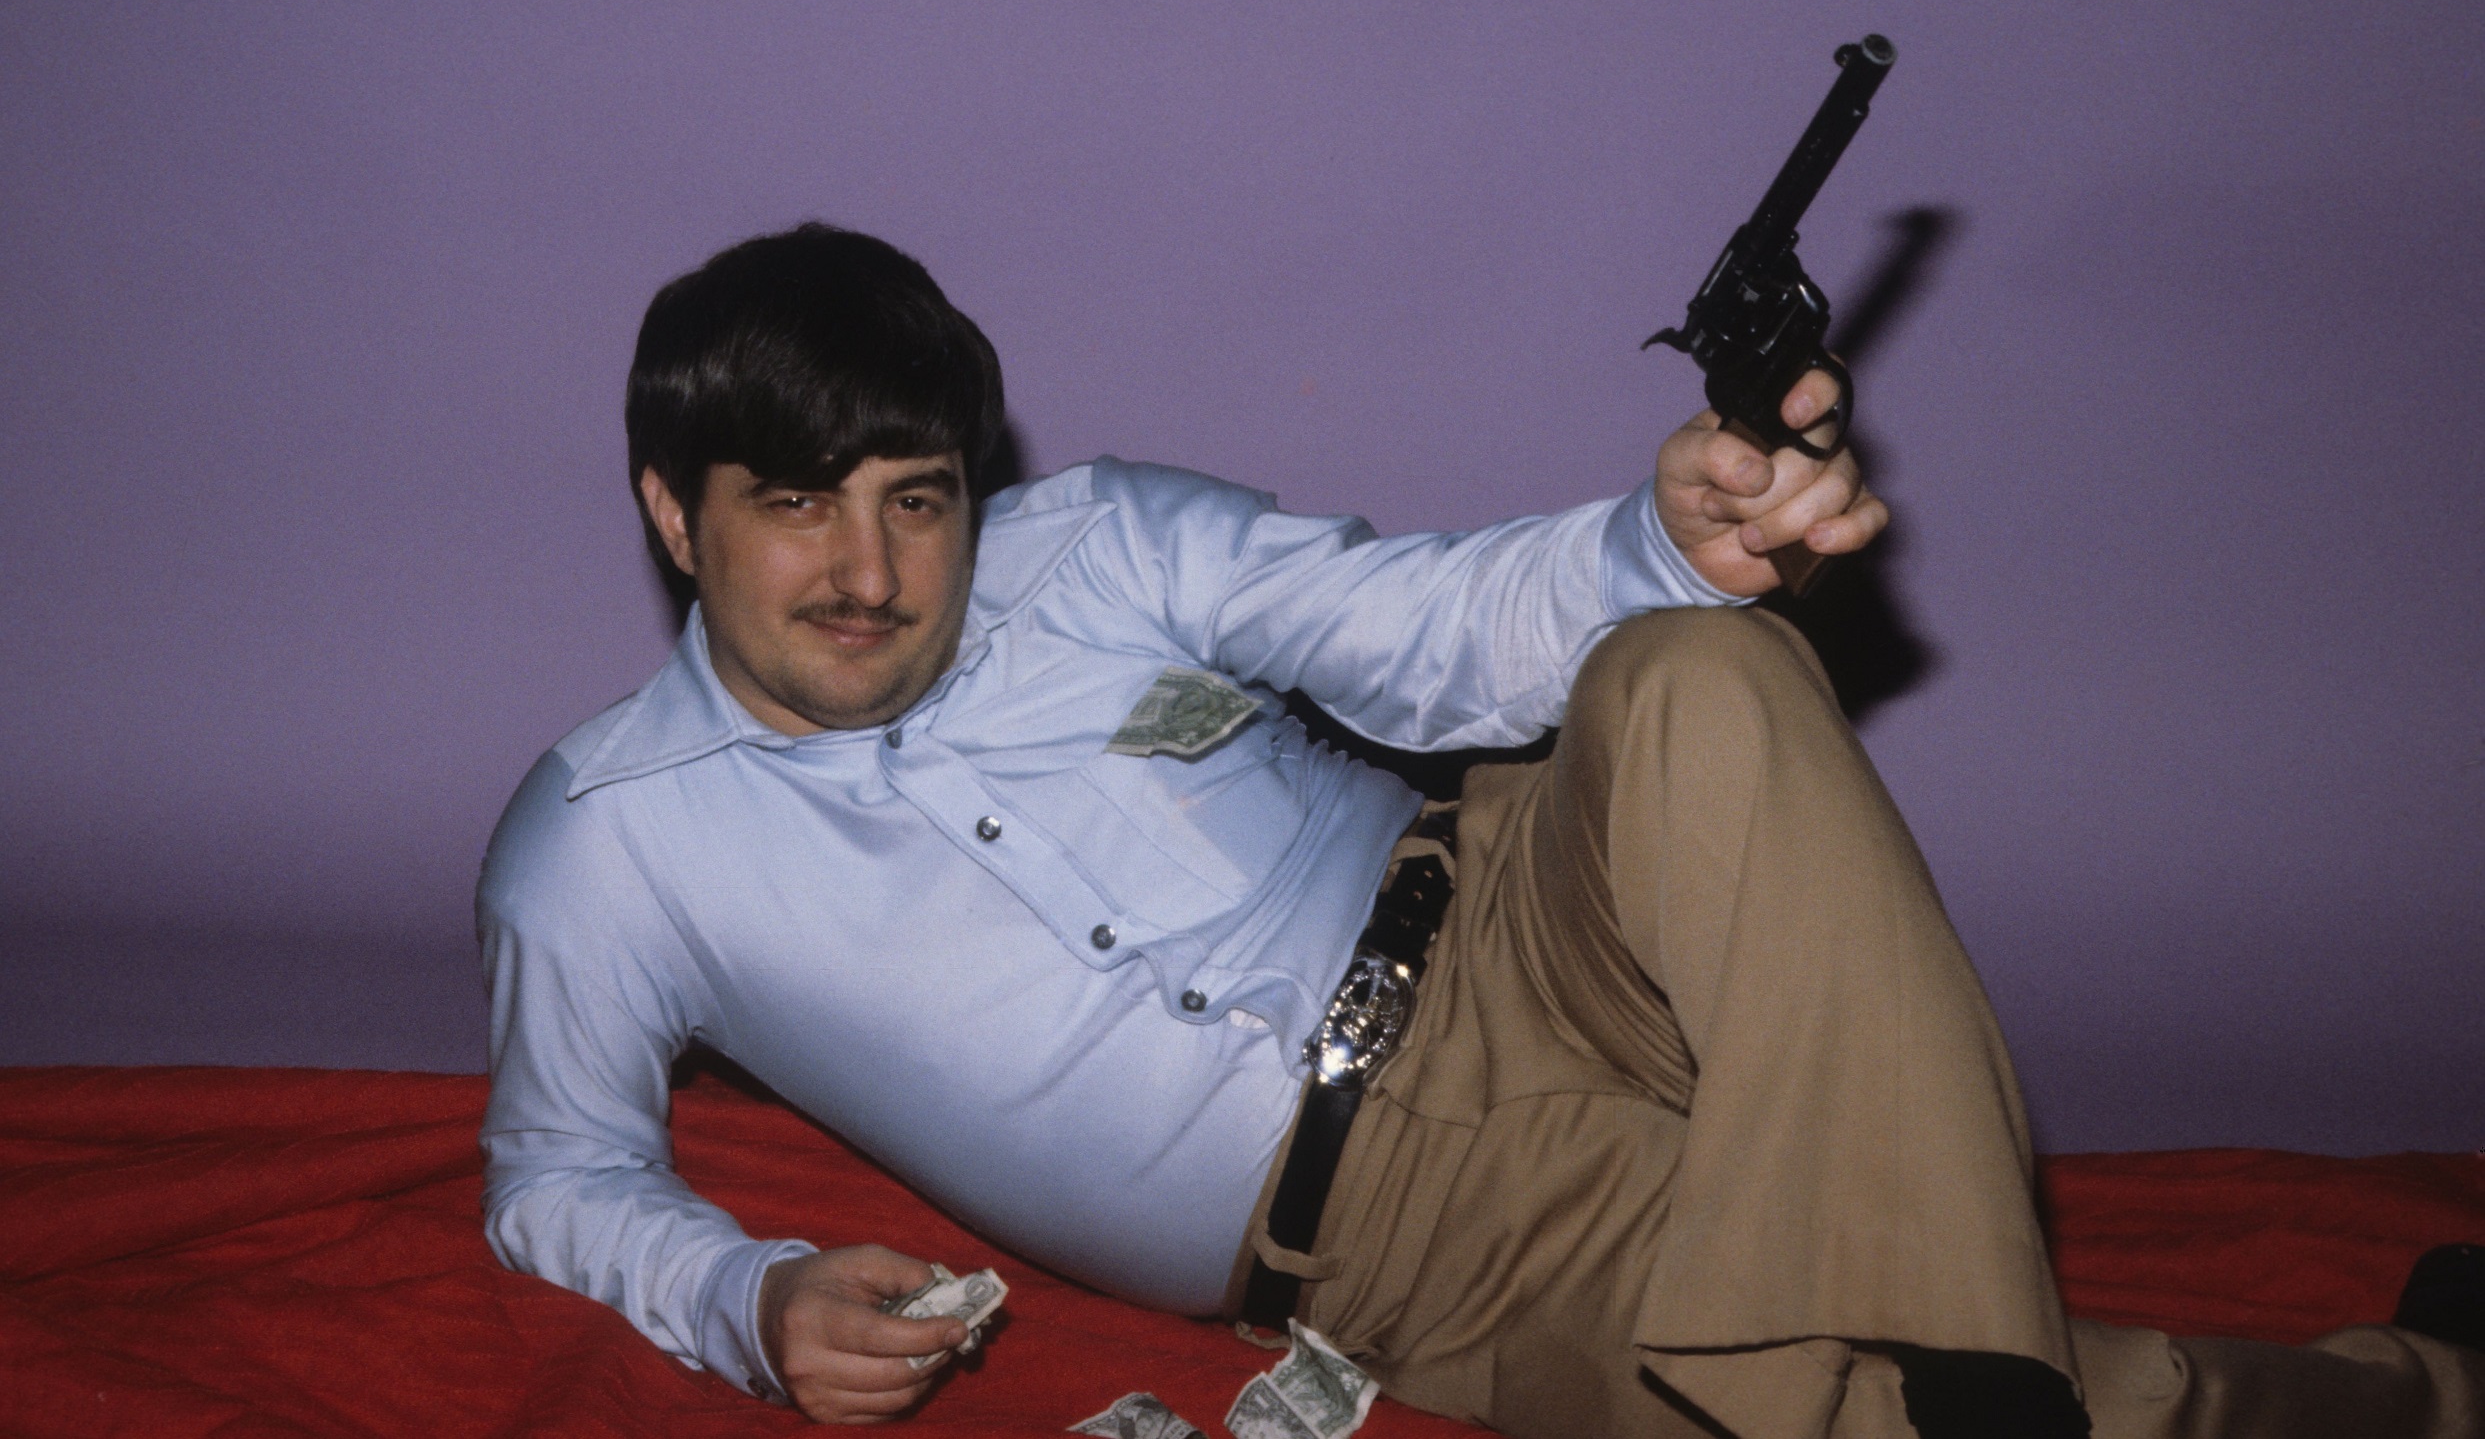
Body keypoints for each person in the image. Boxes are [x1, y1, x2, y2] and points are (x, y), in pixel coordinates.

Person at [477, 223, 2482, 1438]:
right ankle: (2426, 1389)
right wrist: (743, 1299)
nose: (868, 570)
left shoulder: (1100, 545)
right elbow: (556, 1175)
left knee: (1697, 666)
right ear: (675, 511)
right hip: (1409, 1245)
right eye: (793, 504)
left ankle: (1973, 1374)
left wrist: (1665, 539)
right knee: (1914, 1417)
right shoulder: (601, 850)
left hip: (1540, 916)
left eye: (914, 498)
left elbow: (1432, 630)